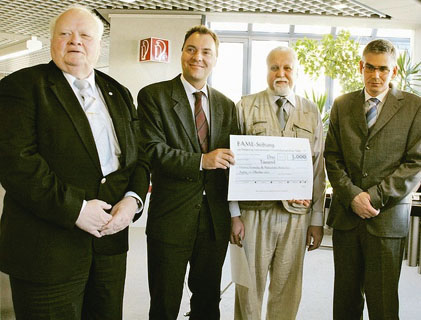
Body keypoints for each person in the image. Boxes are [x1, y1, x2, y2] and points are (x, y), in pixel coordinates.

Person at [0, 6, 150, 320]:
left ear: (98, 43)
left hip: (108, 248)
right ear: (51, 40)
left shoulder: (118, 93)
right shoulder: (21, 87)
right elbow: (16, 164)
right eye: (65, 34)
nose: (75, 42)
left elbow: (139, 158)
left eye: (85, 35)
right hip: (47, 252)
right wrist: (77, 209)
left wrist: (132, 201)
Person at [137, 25, 243, 320]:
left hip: (214, 221)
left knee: (208, 300)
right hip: (171, 218)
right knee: (164, 302)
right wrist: (201, 161)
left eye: (206, 52)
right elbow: (152, 151)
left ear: (215, 58)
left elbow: (234, 165)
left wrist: (235, 213)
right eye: (191, 50)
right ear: (181, 53)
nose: (198, 57)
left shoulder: (226, 105)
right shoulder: (153, 96)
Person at [324, 39, 421, 319]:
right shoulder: (342, 104)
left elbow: (415, 163)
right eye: (369, 67)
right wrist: (353, 195)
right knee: (345, 301)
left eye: (383, 69)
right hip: (346, 218)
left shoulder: (414, 107)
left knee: (383, 303)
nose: (375, 75)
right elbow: (333, 157)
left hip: (387, 219)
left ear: (394, 72)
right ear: (360, 66)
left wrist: (373, 197)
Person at [234, 46, 326, 320]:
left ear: (296, 72)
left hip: (296, 217)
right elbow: (232, 167)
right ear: (266, 70)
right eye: (274, 67)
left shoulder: (311, 111)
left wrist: (317, 219)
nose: (281, 73)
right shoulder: (246, 106)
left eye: (287, 68)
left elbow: (318, 168)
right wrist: (234, 214)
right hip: (253, 214)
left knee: (288, 289)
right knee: (248, 288)